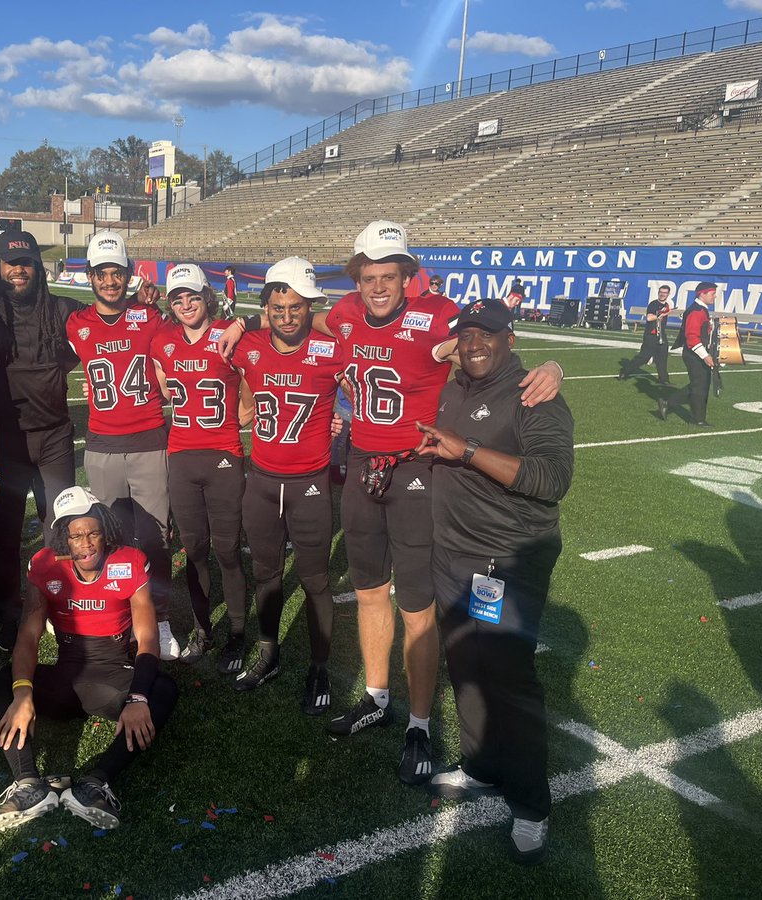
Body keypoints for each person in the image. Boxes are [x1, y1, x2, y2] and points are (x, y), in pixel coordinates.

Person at [216, 221, 560, 784]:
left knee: (416, 603)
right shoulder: (347, 312)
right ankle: (377, 696)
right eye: (369, 276)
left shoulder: (436, 317)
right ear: (358, 278)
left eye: (389, 275)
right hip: (359, 473)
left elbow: (483, 347)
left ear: (408, 277)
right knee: (371, 591)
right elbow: (300, 315)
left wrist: (549, 367)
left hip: (416, 472)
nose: (378, 286)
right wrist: (240, 322)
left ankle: (420, 723)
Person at [415, 298, 574, 865]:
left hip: (506, 559)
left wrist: (469, 450)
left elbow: (552, 480)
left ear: (510, 338)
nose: (475, 344)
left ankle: (531, 805)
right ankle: (482, 766)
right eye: (467, 335)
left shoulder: (535, 393)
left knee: (507, 677)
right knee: (466, 664)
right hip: (452, 553)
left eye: (487, 335)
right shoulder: (456, 383)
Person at [0, 487, 177, 831]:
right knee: (2, 683)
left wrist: (137, 697)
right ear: (62, 537)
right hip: (67, 675)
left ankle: (95, 784)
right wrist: (23, 692)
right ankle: (28, 785)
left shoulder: (129, 560)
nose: (86, 543)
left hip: (114, 673)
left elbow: (148, 638)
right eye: (75, 536)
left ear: (105, 530)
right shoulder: (45, 565)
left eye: (93, 532)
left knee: (162, 690)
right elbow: (28, 635)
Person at [229, 257, 343, 714]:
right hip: (261, 480)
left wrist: (342, 421)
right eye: (278, 307)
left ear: (309, 306)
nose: (287, 315)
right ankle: (269, 651)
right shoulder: (248, 345)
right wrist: (239, 323)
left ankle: (320, 665)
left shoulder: (330, 350)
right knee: (266, 574)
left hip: (310, 484)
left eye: (296, 307)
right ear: (267, 307)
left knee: (315, 580)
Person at [66, 230, 179, 659]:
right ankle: (118, 615)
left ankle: (161, 619)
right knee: (110, 536)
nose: (110, 281)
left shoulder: (149, 318)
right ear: (90, 276)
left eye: (117, 273)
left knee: (155, 538)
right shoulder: (76, 324)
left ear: (129, 276)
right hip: (101, 446)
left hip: (149, 440)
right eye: (103, 273)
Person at [0, 230, 82, 651]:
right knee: (4, 534)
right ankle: (8, 614)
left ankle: (61, 604)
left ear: (37, 267)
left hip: (53, 436)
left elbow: (106, 324)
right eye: (9, 262)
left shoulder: (62, 308)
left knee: (60, 528)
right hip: (5, 441)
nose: (17, 270)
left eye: (25, 263)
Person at [149, 263, 247, 671]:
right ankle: (204, 629)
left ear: (206, 296)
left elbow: (254, 385)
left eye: (192, 296)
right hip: (182, 455)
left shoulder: (229, 333)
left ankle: (239, 636)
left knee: (227, 551)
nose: (186, 304)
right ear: (170, 304)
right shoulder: (164, 340)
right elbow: (160, 381)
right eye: (177, 298)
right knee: (194, 551)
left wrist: (247, 412)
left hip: (223, 453)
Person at [660, 281, 716, 426]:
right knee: (699, 387)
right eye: (712, 293)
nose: (715, 297)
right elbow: (691, 337)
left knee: (700, 385)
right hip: (694, 354)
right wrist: (705, 356)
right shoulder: (696, 311)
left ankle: (670, 404)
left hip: (697, 352)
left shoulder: (701, 309)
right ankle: (697, 419)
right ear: (702, 294)